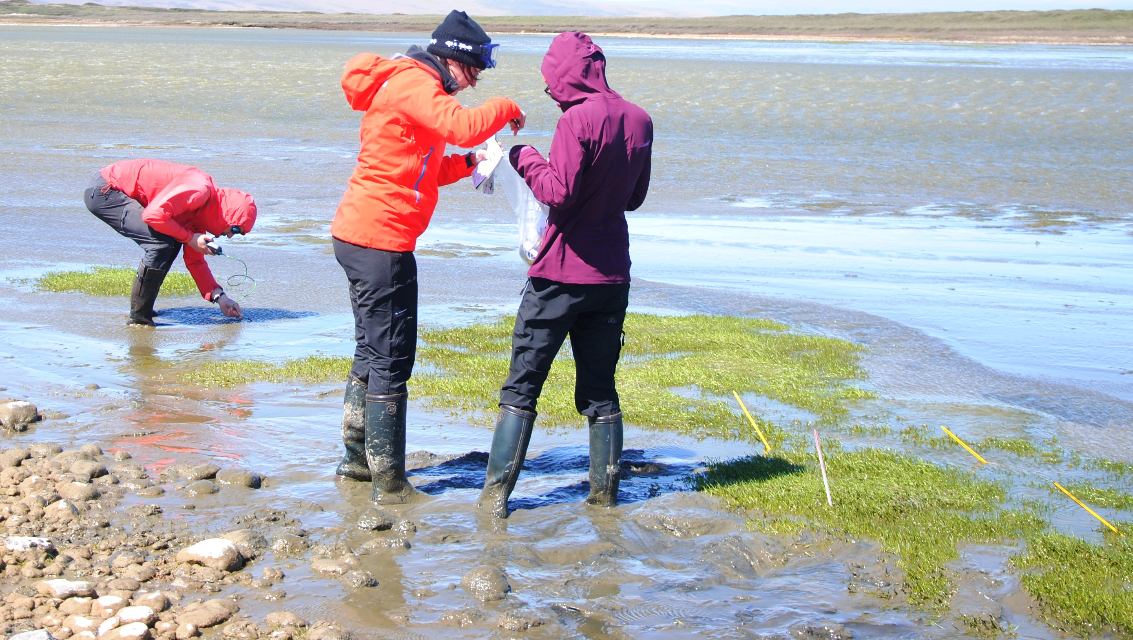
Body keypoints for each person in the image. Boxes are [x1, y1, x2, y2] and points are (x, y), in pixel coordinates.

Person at [331, 10, 526, 504]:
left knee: (371, 351)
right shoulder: (415, 82)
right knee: (391, 358)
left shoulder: (411, 84)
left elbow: (423, 168)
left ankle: (357, 462)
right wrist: (505, 106)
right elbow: (462, 126)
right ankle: (390, 484)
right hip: (380, 239)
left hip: (362, 234)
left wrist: (469, 164)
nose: (474, 82)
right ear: (450, 59)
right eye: (474, 70)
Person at [478, 32, 653, 518]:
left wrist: (522, 156)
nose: (552, 92)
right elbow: (634, 198)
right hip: (612, 277)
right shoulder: (640, 119)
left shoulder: (576, 120)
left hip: (559, 275)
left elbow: (558, 193)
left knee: (522, 387)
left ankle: (493, 503)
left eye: (551, 82)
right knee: (600, 391)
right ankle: (604, 503)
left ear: (565, 76)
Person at [83, 159, 257, 326]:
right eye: (235, 229)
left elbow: (195, 262)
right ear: (227, 213)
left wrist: (220, 298)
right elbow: (153, 215)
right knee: (161, 243)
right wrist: (189, 238)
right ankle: (139, 319)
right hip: (106, 189)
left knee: (172, 240)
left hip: (116, 192)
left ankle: (145, 310)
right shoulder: (199, 190)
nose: (230, 236)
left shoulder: (199, 218)